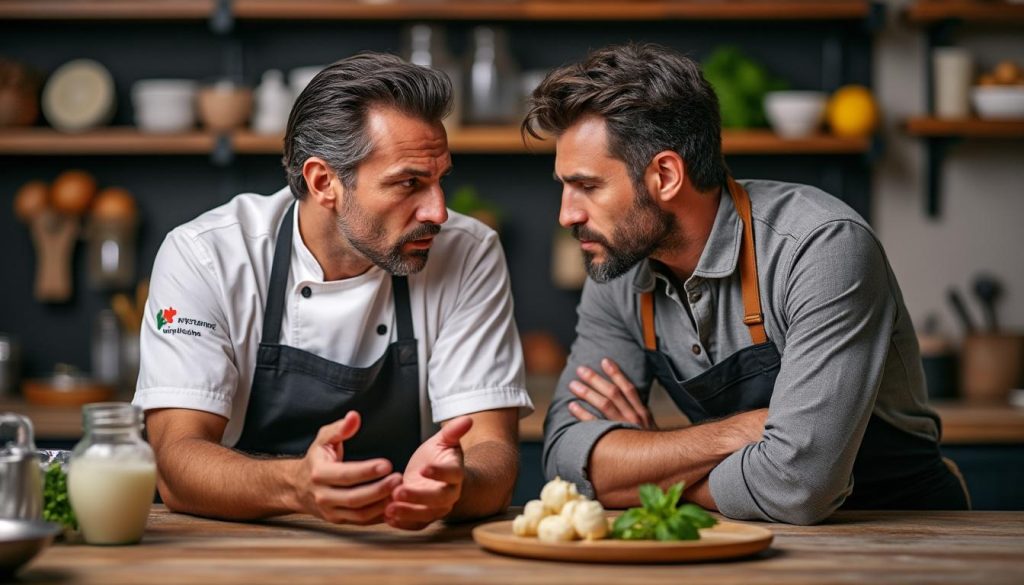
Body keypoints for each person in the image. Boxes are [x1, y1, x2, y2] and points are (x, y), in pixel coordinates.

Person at [525, 43, 969, 525]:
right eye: (564, 186)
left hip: (903, 537)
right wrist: (732, 434)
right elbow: (567, 463)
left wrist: (643, 472)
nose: (567, 214)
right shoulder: (617, 266)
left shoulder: (821, 248)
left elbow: (799, 487)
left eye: (588, 186)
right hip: (740, 542)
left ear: (666, 176)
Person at [133, 53, 532, 530]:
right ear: (324, 182)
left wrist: (455, 487)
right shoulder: (207, 256)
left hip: (402, 545)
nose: (438, 212)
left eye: (440, 180)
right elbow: (177, 462)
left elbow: (493, 452)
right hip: (236, 545)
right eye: (409, 183)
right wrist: (295, 486)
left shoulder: (468, 253)